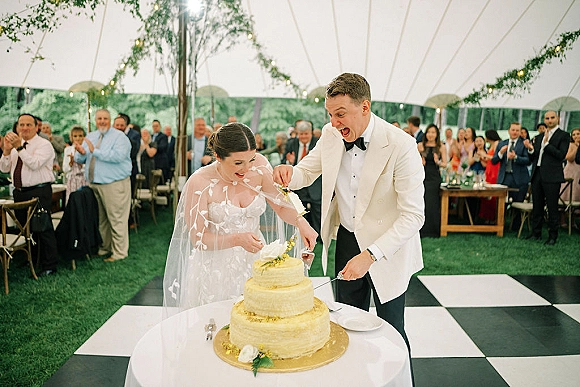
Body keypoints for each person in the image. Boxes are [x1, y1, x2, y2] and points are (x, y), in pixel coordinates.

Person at [273, 73, 424, 371]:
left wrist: (370, 256)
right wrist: (289, 172)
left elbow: (413, 215)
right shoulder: (331, 135)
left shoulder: (401, 145)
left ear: (364, 107)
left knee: (391, 328)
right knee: (347, 324)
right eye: (330, 114)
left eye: (340, 114)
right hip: (346, 239)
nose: (334, 122)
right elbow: (306, 171)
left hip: (386, 249)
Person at [163, 122, 317, 311]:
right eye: (238, 163)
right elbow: (198, 239)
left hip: (255, 260)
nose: (246, 169)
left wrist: (301, 221)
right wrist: (236, 239)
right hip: (214, 269)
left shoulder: (260, 166)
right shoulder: (199, 182)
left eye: (251, 159)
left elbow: (281, 205)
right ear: (218, 157)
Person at [0, 114, 58, 276]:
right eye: (21, 125)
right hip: (20, 192)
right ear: (17, 126)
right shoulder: (15, 144)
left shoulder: (44, 145)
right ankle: (31, 259)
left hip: (38, 191)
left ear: (36, 127)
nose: (24, 128)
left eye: (28, 125)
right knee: (25, 228)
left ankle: (50, 265)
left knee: (43, 227)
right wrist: (6, 151)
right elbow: (4, 169)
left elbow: (34, 164)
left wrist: (19, 148)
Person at [74, 109, 132, 261]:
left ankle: (119, 253)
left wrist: (95, 151)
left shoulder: (120, 137)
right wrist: (80, 152)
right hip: (95, 184)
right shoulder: (91, 136)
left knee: (117, 218)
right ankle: (105, 247)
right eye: (99, 118)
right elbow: (81, 158)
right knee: (102, 220)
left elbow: (118, 156)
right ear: (95, 120)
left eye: (105, 118)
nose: (102, 121)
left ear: (110, 119)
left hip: (114, 184)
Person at [526, 111, 570, 245]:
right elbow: (533, 158)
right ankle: (536, 233)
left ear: (558, 118)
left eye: (552, 118)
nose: (549, 120)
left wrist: (547, 145)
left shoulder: (563, 135)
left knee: (552, 207)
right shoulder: (539, 137)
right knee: (537, 205)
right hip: (537, 173)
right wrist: (530, 150)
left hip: (552, 175)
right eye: (547, 118)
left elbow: (561, 155)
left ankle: (552, 236)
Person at [282, 120, 322, 237]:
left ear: (311, 133)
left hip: (315, 184)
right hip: (297, 184)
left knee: (317, 212)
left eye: (306, 134)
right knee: (299, 211)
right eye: (301, 134)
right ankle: (301, 234)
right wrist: (289, 162)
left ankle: (318, 236)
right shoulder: (291, 144)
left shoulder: (318, 143)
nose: (303, 136)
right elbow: (283, 162)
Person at [491, 122, 530, 229]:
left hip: (519, 178)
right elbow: (494, 161)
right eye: (513, 130)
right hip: (505, 177)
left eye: (517, 130)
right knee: (501, 202)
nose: (515, 132)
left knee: (518, 202)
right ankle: (499, 224)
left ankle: (515, 226)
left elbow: (528, 160)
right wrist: (500, 153)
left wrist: (516, 157)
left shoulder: (524, 144)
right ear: (509, 131)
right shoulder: (501, 144)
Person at [418, 123, 446, 238]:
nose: (431, 135)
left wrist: (438, 161)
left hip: (434, 177)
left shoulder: (441, 146)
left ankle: (433, 230)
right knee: (421, 202)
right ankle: (421, 230)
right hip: (422, 176)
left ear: (437, 134)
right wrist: (420, 162)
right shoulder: (420, 145)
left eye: (433, 132)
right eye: (429, 132)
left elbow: (445, 164)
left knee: (432, 203)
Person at [62, 126, 89, 203]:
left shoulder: (86, 150)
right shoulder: (68, 150)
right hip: (72, 180)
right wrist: (71, 163)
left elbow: (89, 166)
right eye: (75, 136)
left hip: (84, 179)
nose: (77, 138)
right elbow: (65, 169)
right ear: (71, 137)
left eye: (80, 136)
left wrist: (81, 163)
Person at [560, 128, 580, 227]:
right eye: (574, 134)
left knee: (576, 195)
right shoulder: (571, 145)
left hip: (579, 172)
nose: (576, 136)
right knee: (567, 195)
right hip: (571, 171)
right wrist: (576, 147)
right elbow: (569, 158)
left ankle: (573, 221)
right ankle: (563, 220)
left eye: (578, 134)